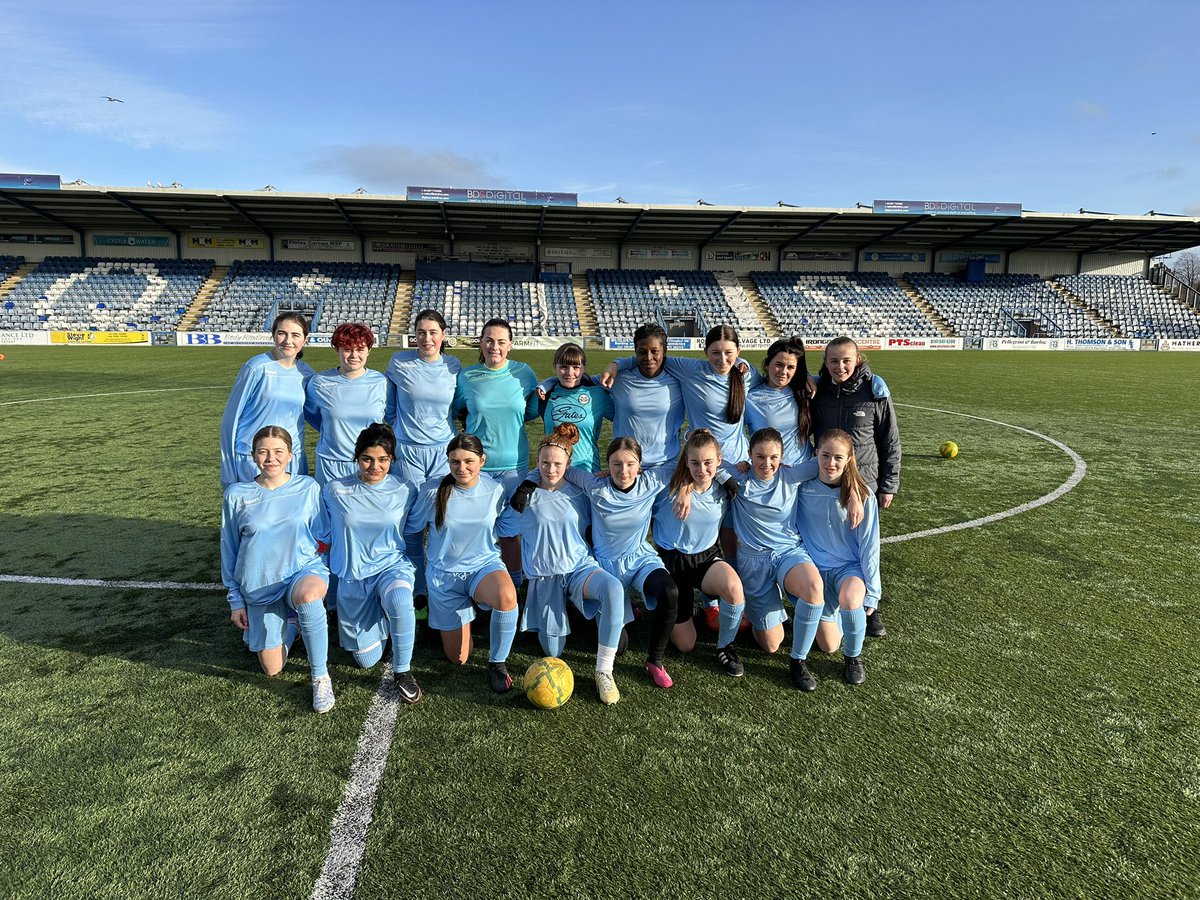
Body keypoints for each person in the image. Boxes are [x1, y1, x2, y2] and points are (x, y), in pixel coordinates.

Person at [727, 427, 861, 693]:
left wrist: (855, 492)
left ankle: (798, 660)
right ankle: (768, 615)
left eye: (774, 457)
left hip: (789, 553)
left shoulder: (791, 475)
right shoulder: (738, 478)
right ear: (749, 455)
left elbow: (837, 460)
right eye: (760, 457)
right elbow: (706, 461)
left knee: (813, 589)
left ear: (782, 456)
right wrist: (690, 438)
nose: (767, 464)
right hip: (754, 562)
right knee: (771, 644)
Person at [507, 424, 628, 704]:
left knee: (612, 589)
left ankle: (604, 672)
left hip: (577, 569)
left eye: (557, 464)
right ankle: (575, 611)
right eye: (544, 463)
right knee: (553, 651)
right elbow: (506, 535)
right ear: (536, 463)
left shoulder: (579, 491)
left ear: (568, 464)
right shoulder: (523, 494)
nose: (551, 469)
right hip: (545, 577)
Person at [553, 437, 683, 693]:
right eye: (616, 464)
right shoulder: (595, 485)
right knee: (620, 647)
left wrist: (687, 491)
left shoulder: (651, 481)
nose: (623, 471)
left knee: (670, 592)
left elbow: (688, 465)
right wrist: (527, 483)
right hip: (605, 568)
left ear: (640, 465)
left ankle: (654, 661)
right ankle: (600, 610)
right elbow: (559, 468)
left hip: (639, 560)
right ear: (607, 464)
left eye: (630, 464)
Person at [220, 425, 334, 713]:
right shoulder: (237, 495)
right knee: (272, 669)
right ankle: (293, 625)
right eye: (264, 452)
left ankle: (320, 676)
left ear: (290, 456)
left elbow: (323, 534)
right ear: (254, 456)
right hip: (260, 585)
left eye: (278, 452)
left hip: (301, 572)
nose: (271, 458)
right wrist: (236, 600)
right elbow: (229, 549)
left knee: (309, 598)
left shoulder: (308, 487)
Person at [404, 433, 519, 693]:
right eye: (454, 462)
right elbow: (411, 530)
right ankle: (466, 615)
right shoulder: (432, 491)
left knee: (507, 595)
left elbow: (508, 527)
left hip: (483, 568)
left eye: (469, 461)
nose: (462, 468)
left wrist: (521, 503)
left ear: (482, 460)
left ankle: (497, 663)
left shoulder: (495, 490)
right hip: (443, 578)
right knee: (458, 658)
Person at [320, 423, 422, 703]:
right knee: (366, 660)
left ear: (392, 460)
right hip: (353, 579)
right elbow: (322, 534)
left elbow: (420, 525)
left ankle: (403, 671)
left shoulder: (405, 490)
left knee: (401, 601)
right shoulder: (335, 490)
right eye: (367, 458)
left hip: (391, 568)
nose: (375, 466)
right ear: (356, 458)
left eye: (383, 460)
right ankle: (385, 621)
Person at [810, 336, 900, 638]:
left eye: (846, 360)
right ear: (825, 362)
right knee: (832, 545)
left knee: (865, 546)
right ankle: (823, 600)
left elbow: (889, 440)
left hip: (864, 486)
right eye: (833, 361)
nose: (840, 366)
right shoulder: (818, 391)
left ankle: (870, 606)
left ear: (858, 360)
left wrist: (888, 484)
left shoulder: (874, 392)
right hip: (828, 483)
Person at [651, 429, 747, 677]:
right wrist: (683, 485)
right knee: (685, 645)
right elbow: (632, 479)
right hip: (671, 562)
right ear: (685, 462)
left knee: (734, 588)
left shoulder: (724, 486)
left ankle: (725, 646)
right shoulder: (667, 483)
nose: (701, 469)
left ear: (718, 460)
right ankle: (682, 608)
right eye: (694, 462)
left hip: (705, 559)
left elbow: (762, 471)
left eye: (708, 463)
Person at [451, 319, 539, 583]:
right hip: (476, 467)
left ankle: (514, 581)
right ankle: (477, 580)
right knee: (478, 528)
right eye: (489, 340)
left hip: (514, 464)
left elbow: (533, 410)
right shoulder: (467, 376)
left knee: (510, 529)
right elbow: (457, 409)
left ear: (510, 345)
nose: (495, 346)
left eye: (501, 341)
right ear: (481, 342)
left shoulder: (524, 373)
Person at [384, 309, 462, 601]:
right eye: (421, 332)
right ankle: (417, 590)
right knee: (411, 522)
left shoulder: (453, 366)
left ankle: (442, 585)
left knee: (444, 519)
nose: (426, 338)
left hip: (443, 452)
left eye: (432, 332)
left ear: (443, 335)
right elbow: (390, 408)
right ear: (413, 335)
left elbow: (457, 407)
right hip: (408, 452)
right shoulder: (399, 363)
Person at [603, 323, 758, 465]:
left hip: (740, 462)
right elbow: (652, 358)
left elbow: (773, 382)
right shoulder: (691, 370)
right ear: (706, 352)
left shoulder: (748, 375)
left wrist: (740, 362)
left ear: (738, 351)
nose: (722, 359)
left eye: (728, 353)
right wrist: (617, 364)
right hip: (704, 462)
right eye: (716, 352)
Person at [797, 429, 879, 686]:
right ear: (815, 455)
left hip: (847, 569)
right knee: (828, 645)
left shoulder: (863, 495)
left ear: (849, 460)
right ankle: (840, 620)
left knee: (851, 598)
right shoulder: (801, 488)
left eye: (838, 458)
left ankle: (853, 657)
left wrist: (873, 590)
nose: (831, 463)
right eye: (825, 455)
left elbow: (869, 545)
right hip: (816, 573)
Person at [219, 312, 315, 488]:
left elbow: (319, 416)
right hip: (255, 458)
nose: (288, 340)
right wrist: (228, 467)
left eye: (295, 335)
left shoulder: (307, 374)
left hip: (291, 458)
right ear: (273, 335)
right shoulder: (256, 367)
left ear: (305, 339)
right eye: (282, 333)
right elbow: (230, 418)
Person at [305, 322, 388, 485]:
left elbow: (389, 417)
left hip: (370, 463)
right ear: (337, 349)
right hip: (331, 463)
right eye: (348, 349)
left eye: (360, 349)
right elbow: (313, 416)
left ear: (369, 350)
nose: (354, 355)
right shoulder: (319, 382)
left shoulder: (382, 382)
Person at [603, 322, 685, 468]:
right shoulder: (619, 378)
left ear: (664, 350)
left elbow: (711, 368)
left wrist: (737, 361)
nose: (648, 357)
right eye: (642, 352)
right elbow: (578, 380)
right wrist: (548, 384)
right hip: (627, 466)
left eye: (654, 351)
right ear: (635, 351)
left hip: (666, 465)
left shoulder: (679, 379)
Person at [537, 342, 614, 472]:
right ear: (555, 366)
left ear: (583, 368)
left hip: (588, 470)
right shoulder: (544, 395)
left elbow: (624, 418)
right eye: (564, 367)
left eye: (576, 367)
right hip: (553, 472)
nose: (570, 372)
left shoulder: (598, 394)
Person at [745, 337, 813, 466]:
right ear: (767, 364)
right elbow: (736, 435)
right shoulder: (751, 398)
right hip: (773, 472)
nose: (784, 372)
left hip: (806, 469)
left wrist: (807, 376)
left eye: (790, 367)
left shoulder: (803, 390)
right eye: (779, 365)